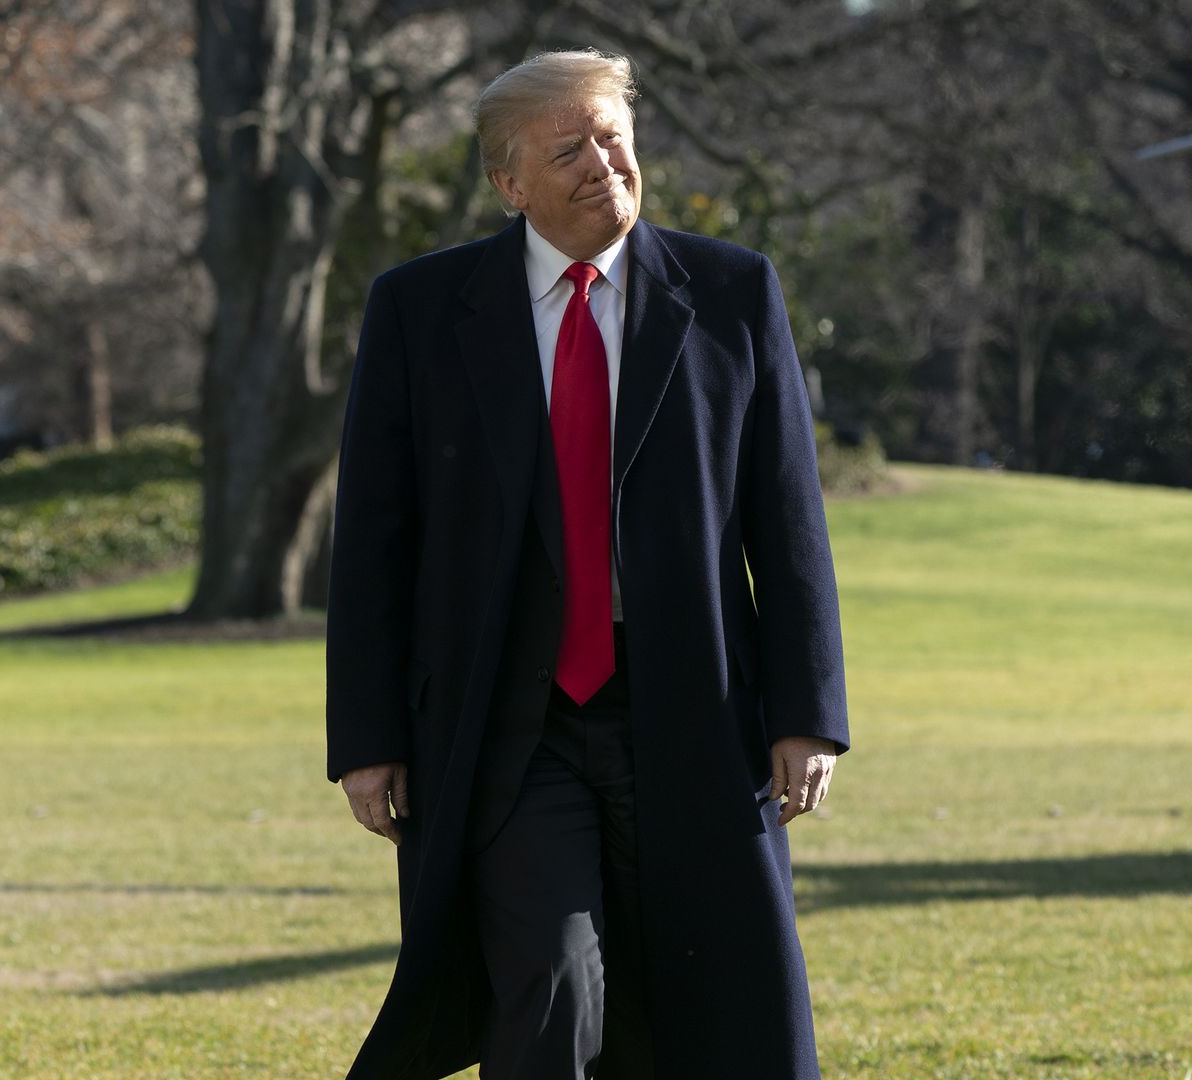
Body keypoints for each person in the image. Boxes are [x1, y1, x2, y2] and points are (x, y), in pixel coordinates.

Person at [325, 48, 849, 1080]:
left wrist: (806, 713)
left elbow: (785, 518)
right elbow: (375, 543)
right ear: (508, 183)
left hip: (692, 711)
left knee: (703, 998)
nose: (602, 162)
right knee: (554, 983)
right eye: (568, 148)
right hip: (507, 724)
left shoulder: (734, 292)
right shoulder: (420, 311)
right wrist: (367, 738)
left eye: (613, 136)